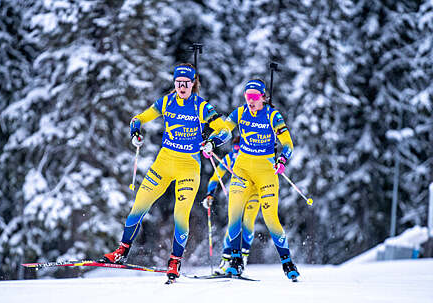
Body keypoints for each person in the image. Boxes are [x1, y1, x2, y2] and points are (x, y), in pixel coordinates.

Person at [100, 63, 231, 282]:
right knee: (139, 206)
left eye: (186, 84)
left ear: (192, 84)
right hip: (164, 162)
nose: (181, 87)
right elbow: (138, 119)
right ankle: (121, 252)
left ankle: (175, 261)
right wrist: (135, 133)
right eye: (178, 83)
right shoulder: (166, 102)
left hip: (188, 167)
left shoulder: (201, 107)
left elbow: (225, 131)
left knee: (181, 214)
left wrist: (212, 141)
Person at [222, 79, 300, 280]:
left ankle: (287, 263)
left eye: (255, 98)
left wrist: (283, 158)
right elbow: (224, 130)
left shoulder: (273, 115)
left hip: (266, 172)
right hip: (242, 170)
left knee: (270, 217)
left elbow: (288, 143)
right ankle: (236, 261)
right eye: (248, 98)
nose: (250, 102)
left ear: (264, 97)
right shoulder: (240, 112)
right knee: (234, 213)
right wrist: (210, 140)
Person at [201, 136, 261, 274]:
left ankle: (242, 260)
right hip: (238, 192)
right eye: (235, 150)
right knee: (233, 225)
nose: (236, 153)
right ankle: (225, 262)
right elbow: (215, 177)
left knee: (248, 223)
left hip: (254, 193)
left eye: (239, 150)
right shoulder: (230, 158)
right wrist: (210, 194)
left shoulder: (253, 155)